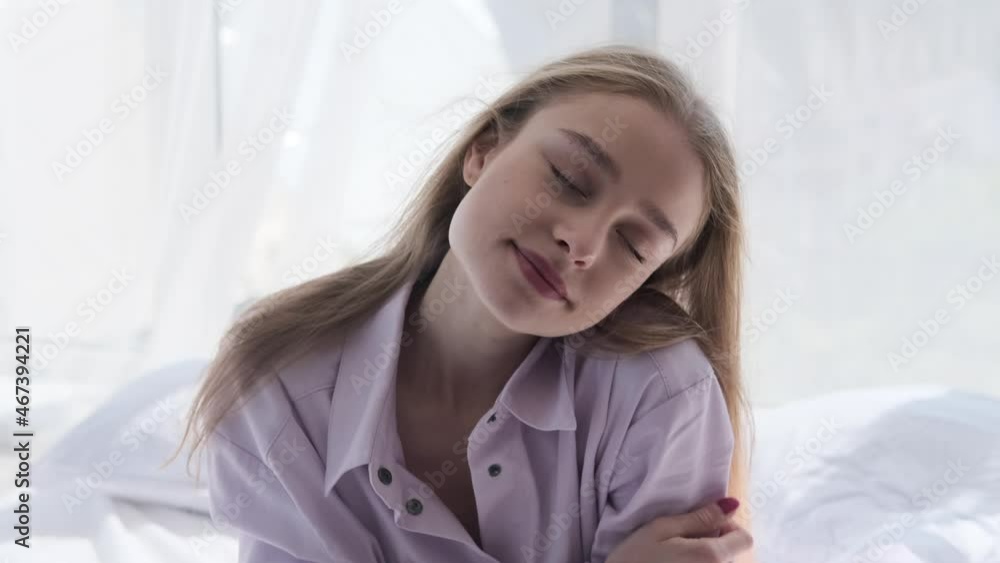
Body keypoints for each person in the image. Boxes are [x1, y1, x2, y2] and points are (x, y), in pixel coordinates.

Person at [165, 43, 755, 562]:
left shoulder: (662, 396)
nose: (582, 243)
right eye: (570, 179)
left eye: (633, 245)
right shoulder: (278, 383)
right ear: (483, 151)